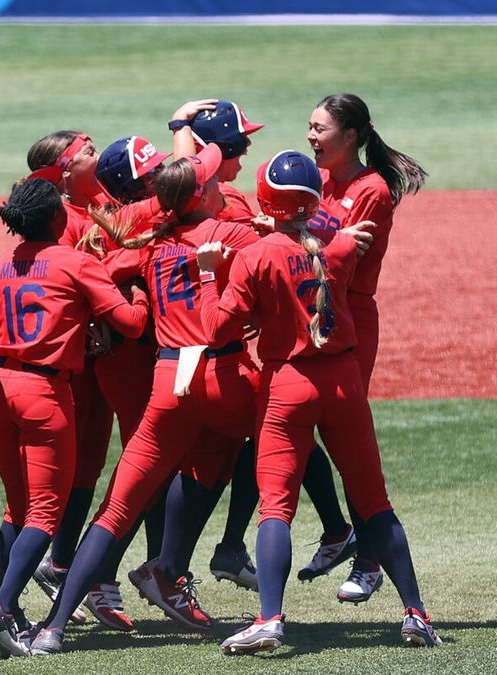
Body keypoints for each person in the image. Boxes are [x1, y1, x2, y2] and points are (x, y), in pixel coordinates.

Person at [195, 150, 439, 654]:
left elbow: (217, 328)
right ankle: (415, 612)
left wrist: (207, 276)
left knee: (276, 509)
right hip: (344, 381)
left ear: (266, 200)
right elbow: (327, 251)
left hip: (288, 385)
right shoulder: (341, 246)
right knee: (375, 503)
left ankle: (269, 619)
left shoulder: (254, 256)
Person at [28, 144, 261, 654]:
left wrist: (107, 310)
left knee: (116, 510)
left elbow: (99, 272)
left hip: (166, 381)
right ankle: (223, 569)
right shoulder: (231, 235)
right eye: (212, 179)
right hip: (219, 375)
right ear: (199, 193)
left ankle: (54, 627)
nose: (221, 182)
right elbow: (287, 263)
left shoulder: (149, 245)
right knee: (282, 440)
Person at [0, 178, 148, 658]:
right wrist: (138, 293)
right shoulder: (76, 262)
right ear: (57, 220)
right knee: (47, 513)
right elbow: (131, 325)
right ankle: (3, 606)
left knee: (18, 506)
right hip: (45, 394)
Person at [294, 94, 429, 603]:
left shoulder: (370, 190)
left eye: (320, 128)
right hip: (307, 307)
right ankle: (337, 531)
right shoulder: (317, 178)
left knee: (346, 436)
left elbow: (339, 265)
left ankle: (369, 559)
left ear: (351, 136)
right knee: (286, 419)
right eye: (308, 126)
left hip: (348, 314)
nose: (310, 136)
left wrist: (301, 249)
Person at [171, 98, 267, 590]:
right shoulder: (227, 209)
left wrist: (179, 123)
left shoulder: (168, 206)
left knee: (195, 463)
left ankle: (170, 567)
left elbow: (186, 166)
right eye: (242, 143)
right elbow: (275, 259)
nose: (246, 152)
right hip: (218, 360)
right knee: (277, 430)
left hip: (176, 359)